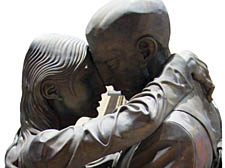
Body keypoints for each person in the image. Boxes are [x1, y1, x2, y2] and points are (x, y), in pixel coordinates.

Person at [5, 33, 212, 168]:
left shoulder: (42, 148)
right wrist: (177, 69)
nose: (102, 87)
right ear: (51, 90)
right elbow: (136, 121)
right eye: (87, 79)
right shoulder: (39, 150)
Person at [85, 0, 222, 167]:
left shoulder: (171, 137)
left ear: (145, 51)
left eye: (111, 64)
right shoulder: (190, 91)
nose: (106, 80)